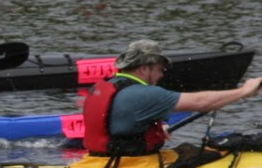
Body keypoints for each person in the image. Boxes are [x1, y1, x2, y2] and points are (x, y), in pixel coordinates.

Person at [79, 39, 262, 160]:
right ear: (144, 69)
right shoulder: (145, 94)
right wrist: (243, 91)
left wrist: (154, 126)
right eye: (159, 69)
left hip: (101, 159)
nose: (160, 75)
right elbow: (201, 103)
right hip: (128, 166)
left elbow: (119, 121)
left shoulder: (109, 83)